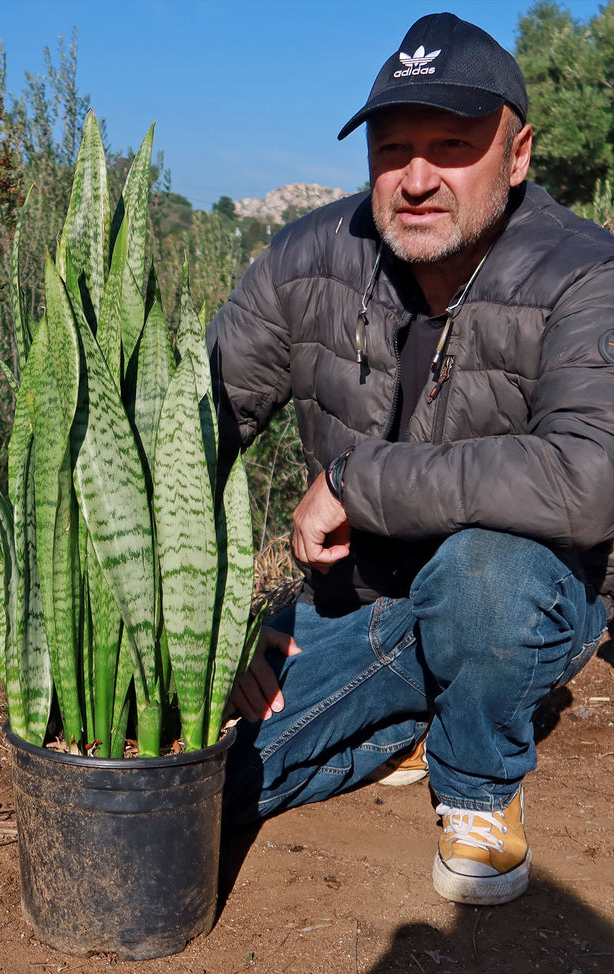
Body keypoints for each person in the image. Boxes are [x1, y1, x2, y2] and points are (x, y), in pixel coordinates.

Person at [207, 11, 613, 906]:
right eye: (393, 148)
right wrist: (205, 633)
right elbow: (189, 439)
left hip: (516, 592)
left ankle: (476, 781)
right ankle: (409, 712)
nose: (417, 178)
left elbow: (588, 480)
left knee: (482, 584)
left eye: (451, 146)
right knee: (203, 783)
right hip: (354, 600)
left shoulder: (587, 273)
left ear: (518, 153)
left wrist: (356, 482)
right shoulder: (304, 258)